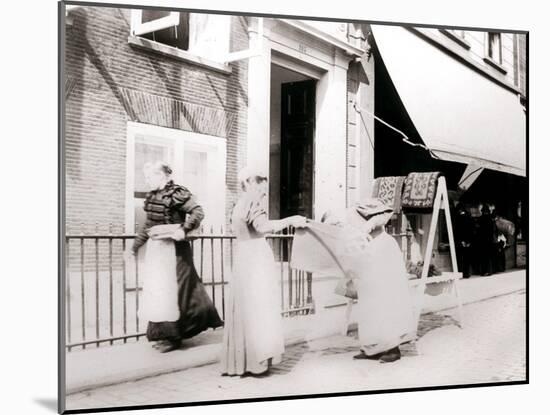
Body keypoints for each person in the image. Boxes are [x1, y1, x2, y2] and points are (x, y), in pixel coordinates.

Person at [220, 166, 307, 376]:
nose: (263, 189)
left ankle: (242, 362)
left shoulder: (238, 204)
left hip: (244, 257)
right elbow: (263, 227)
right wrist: (291, 219)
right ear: (249, 183)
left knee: (245, 307)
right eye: (260, 184)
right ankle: (257, 362)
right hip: (256, 258)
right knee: (259, 307)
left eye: (264, 184)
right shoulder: (251, 202)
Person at [130, 161, 223, 353]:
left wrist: (184, 228)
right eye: (146, 177)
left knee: (176, 292)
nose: (147, 181)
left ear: (162, 176)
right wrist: (134, 247)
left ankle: (175, 337)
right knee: (159, 291)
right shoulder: (153, 196)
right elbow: (148, 226)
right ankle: (164, 335)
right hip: (158, 251)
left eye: (149, 177)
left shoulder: (177, 193)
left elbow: (198, 212)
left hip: (176, 251)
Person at [352, 199, 417, 363]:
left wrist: (371, 222)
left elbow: (386, 214)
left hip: (383, 268)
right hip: (370, 268)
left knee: (386, 307)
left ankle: (392, 349)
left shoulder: (386, 235)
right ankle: (372, 349)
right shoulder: (363, 227)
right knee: (369, 309)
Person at [453, 203, 474, 278]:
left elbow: (457, 230)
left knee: (459, 258)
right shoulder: (469, 217)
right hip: (468, 240)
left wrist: (461, 240)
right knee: (467, 258)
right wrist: (469, 241)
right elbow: (471, 230)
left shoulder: (458, 217)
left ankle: (460, 273)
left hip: (460, 240)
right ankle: (467, 273)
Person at [477, 203, 497, 276]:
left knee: (482, 256)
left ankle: (483, 271)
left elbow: (478, 230)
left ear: (482, 211)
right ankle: (489, 271)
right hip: (489, 240)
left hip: (482, 240)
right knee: (489, 256)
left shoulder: (480, 219)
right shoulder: (491, 219)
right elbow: (493, 230)